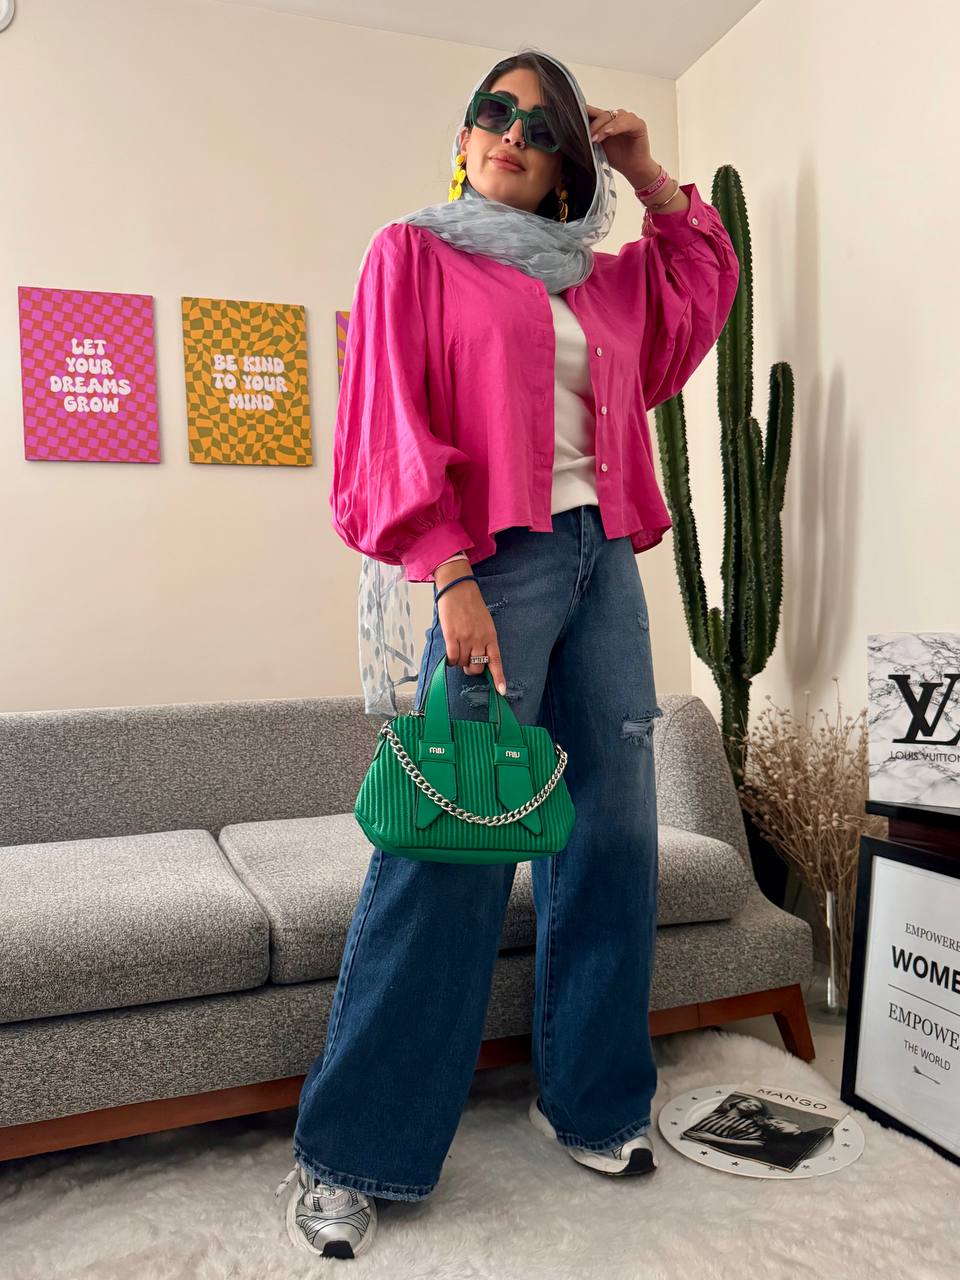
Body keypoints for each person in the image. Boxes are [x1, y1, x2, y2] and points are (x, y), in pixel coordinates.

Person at [275, 45, 740, 1260]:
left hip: (604, 564)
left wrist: (645, 168)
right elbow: (384, 422)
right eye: (495, 112)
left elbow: (705, 285)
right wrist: (449, 575)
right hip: (494, 563)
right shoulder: (415, 254)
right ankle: (350, 1149)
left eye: (541, 127)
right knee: (451, 842)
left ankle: (590, 1098)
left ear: (566, 163)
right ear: (464, 133)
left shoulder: (606, 283)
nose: (512, 134)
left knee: (615, 837)